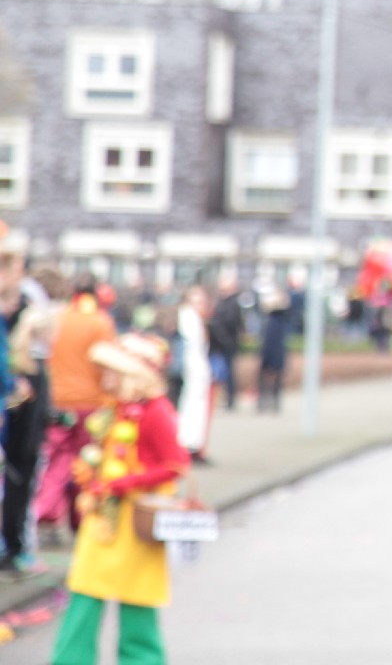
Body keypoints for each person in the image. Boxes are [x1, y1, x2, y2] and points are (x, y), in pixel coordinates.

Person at [52, 332, 190, 665]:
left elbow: (176, 465)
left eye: (112, 370)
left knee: (137, 595)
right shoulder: (116, 407)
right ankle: (71, 659)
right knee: (85, 587)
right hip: (104, 514)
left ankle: (142, 659)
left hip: (137, 519)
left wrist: (122, 484)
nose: (105, 377)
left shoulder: (156, 410)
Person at [37, 275, 118, 539]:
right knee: (87, 462)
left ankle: (46, 513)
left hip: (58, 401)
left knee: (56, 459)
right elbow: (108, 365)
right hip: (91, 403)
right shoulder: (100, 322)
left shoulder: (58, 318)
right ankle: (80, 517)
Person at [3, 265, 63, 574]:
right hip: (23, 448)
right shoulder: (33, 368)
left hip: (17, 444)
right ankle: (15, 549)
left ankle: (13, 547)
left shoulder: (21, 363)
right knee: (18, 494)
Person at [175, 286, 214, 464]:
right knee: (190, 405)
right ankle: (188, 443)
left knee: (196, 405)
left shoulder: (196, 318)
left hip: (197, 369)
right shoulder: (188, 317)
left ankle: (193, 444)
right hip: (191, 369)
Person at [207, 273, 249, 412]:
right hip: (222, 342)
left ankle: (230, 398)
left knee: (228, 371)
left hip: (227, 342)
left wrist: (222, 335)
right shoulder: (224, 301)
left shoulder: (233, 302)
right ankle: (227, 397)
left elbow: (231, 321)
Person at [257, 287, 292, 413]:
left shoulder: (281, 318)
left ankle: (274, 400)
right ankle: (264, 399)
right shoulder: (269, 319)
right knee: (264, 374)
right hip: (270, 347)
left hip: (276, 348)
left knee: (276, 375)